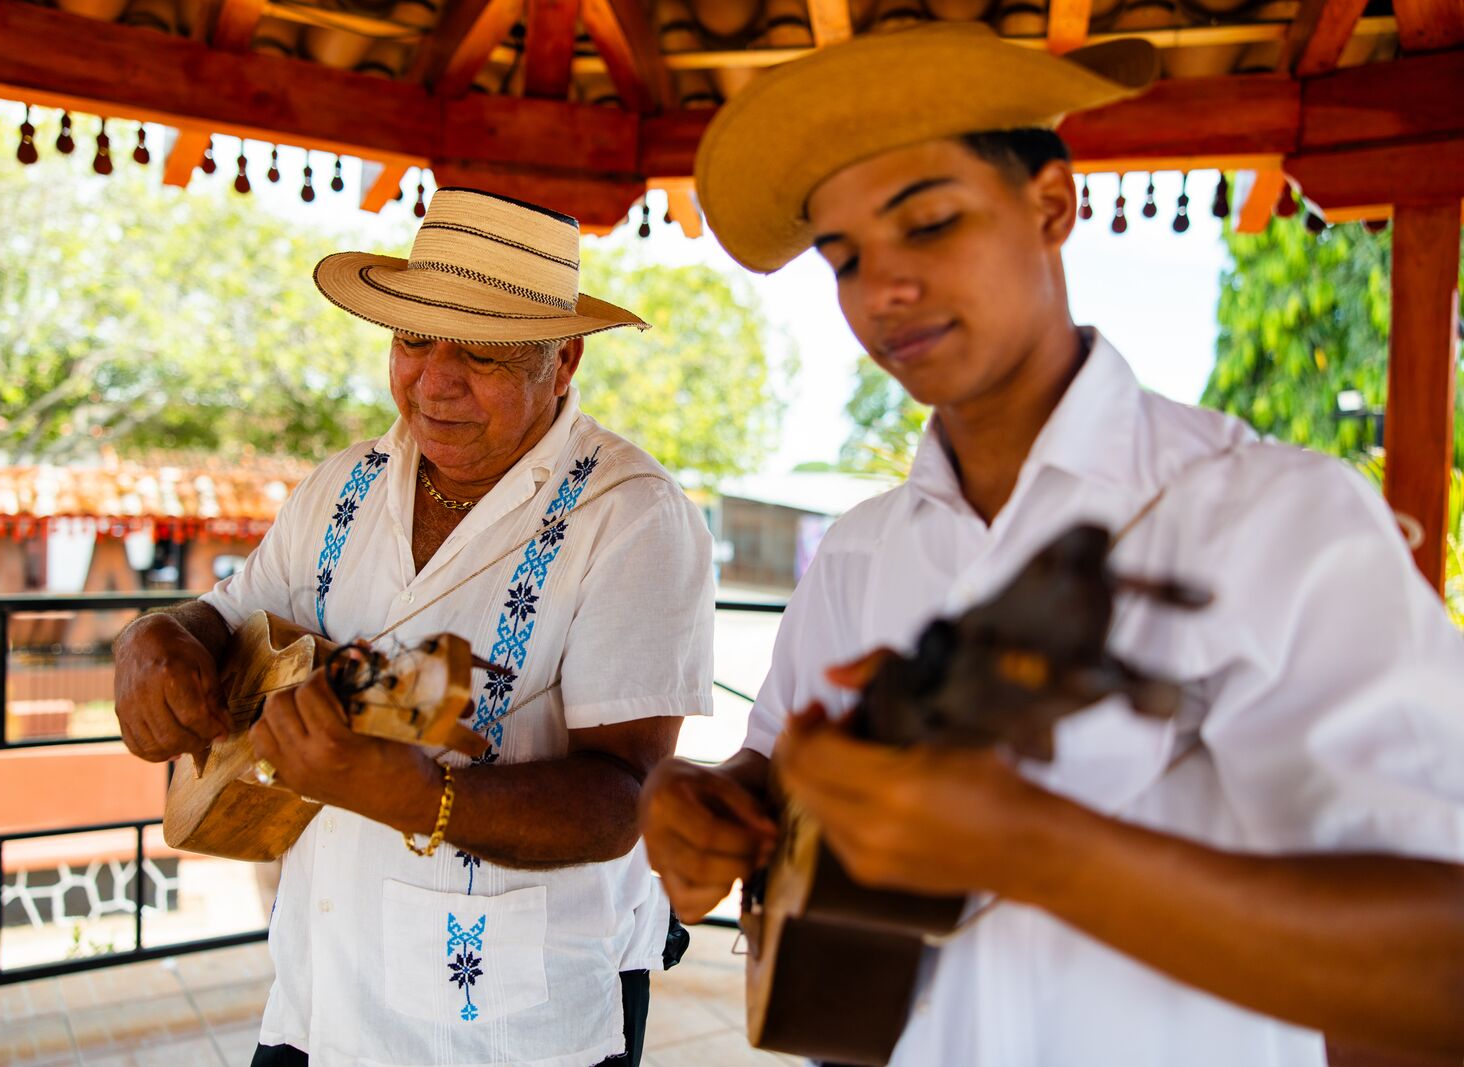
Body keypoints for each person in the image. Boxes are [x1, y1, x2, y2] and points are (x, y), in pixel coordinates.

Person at [639, 24, 1464, 1067]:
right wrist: (711, 801)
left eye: (929, 223)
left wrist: (1036, 847)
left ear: (1052, 205)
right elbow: (772, 767)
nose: (879, 288)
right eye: (843, 259)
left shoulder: (1276, 518)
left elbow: (1440, 971)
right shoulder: (858, 552)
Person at [114, 188, 715, 1067]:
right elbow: (222, 615)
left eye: (481, 351)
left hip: (510, 1024)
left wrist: (409, 793)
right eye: (411, 340)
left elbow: (621, 798)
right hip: (317, 999)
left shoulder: (632, 518)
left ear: (565, 360)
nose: (434, 381)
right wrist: (152, 638)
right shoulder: (341, 484)